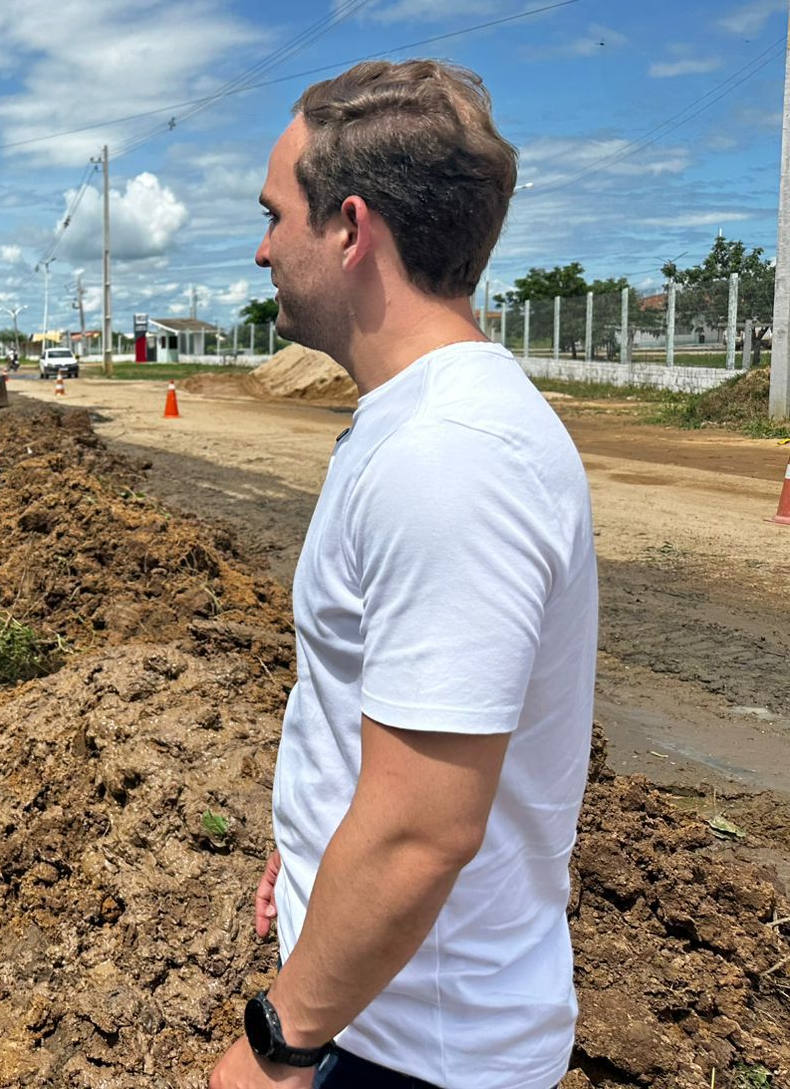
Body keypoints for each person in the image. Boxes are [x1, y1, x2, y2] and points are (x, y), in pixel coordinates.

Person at [210, 61, 597, 1089]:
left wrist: (278, 1044)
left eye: (273, 215)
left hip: (417, 1053)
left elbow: (422, 829)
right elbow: (389, 733)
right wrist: (309, 847)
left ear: (350, 228)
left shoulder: (448, 457)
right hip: (389, 1011)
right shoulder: (417, 424)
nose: (262, 250)